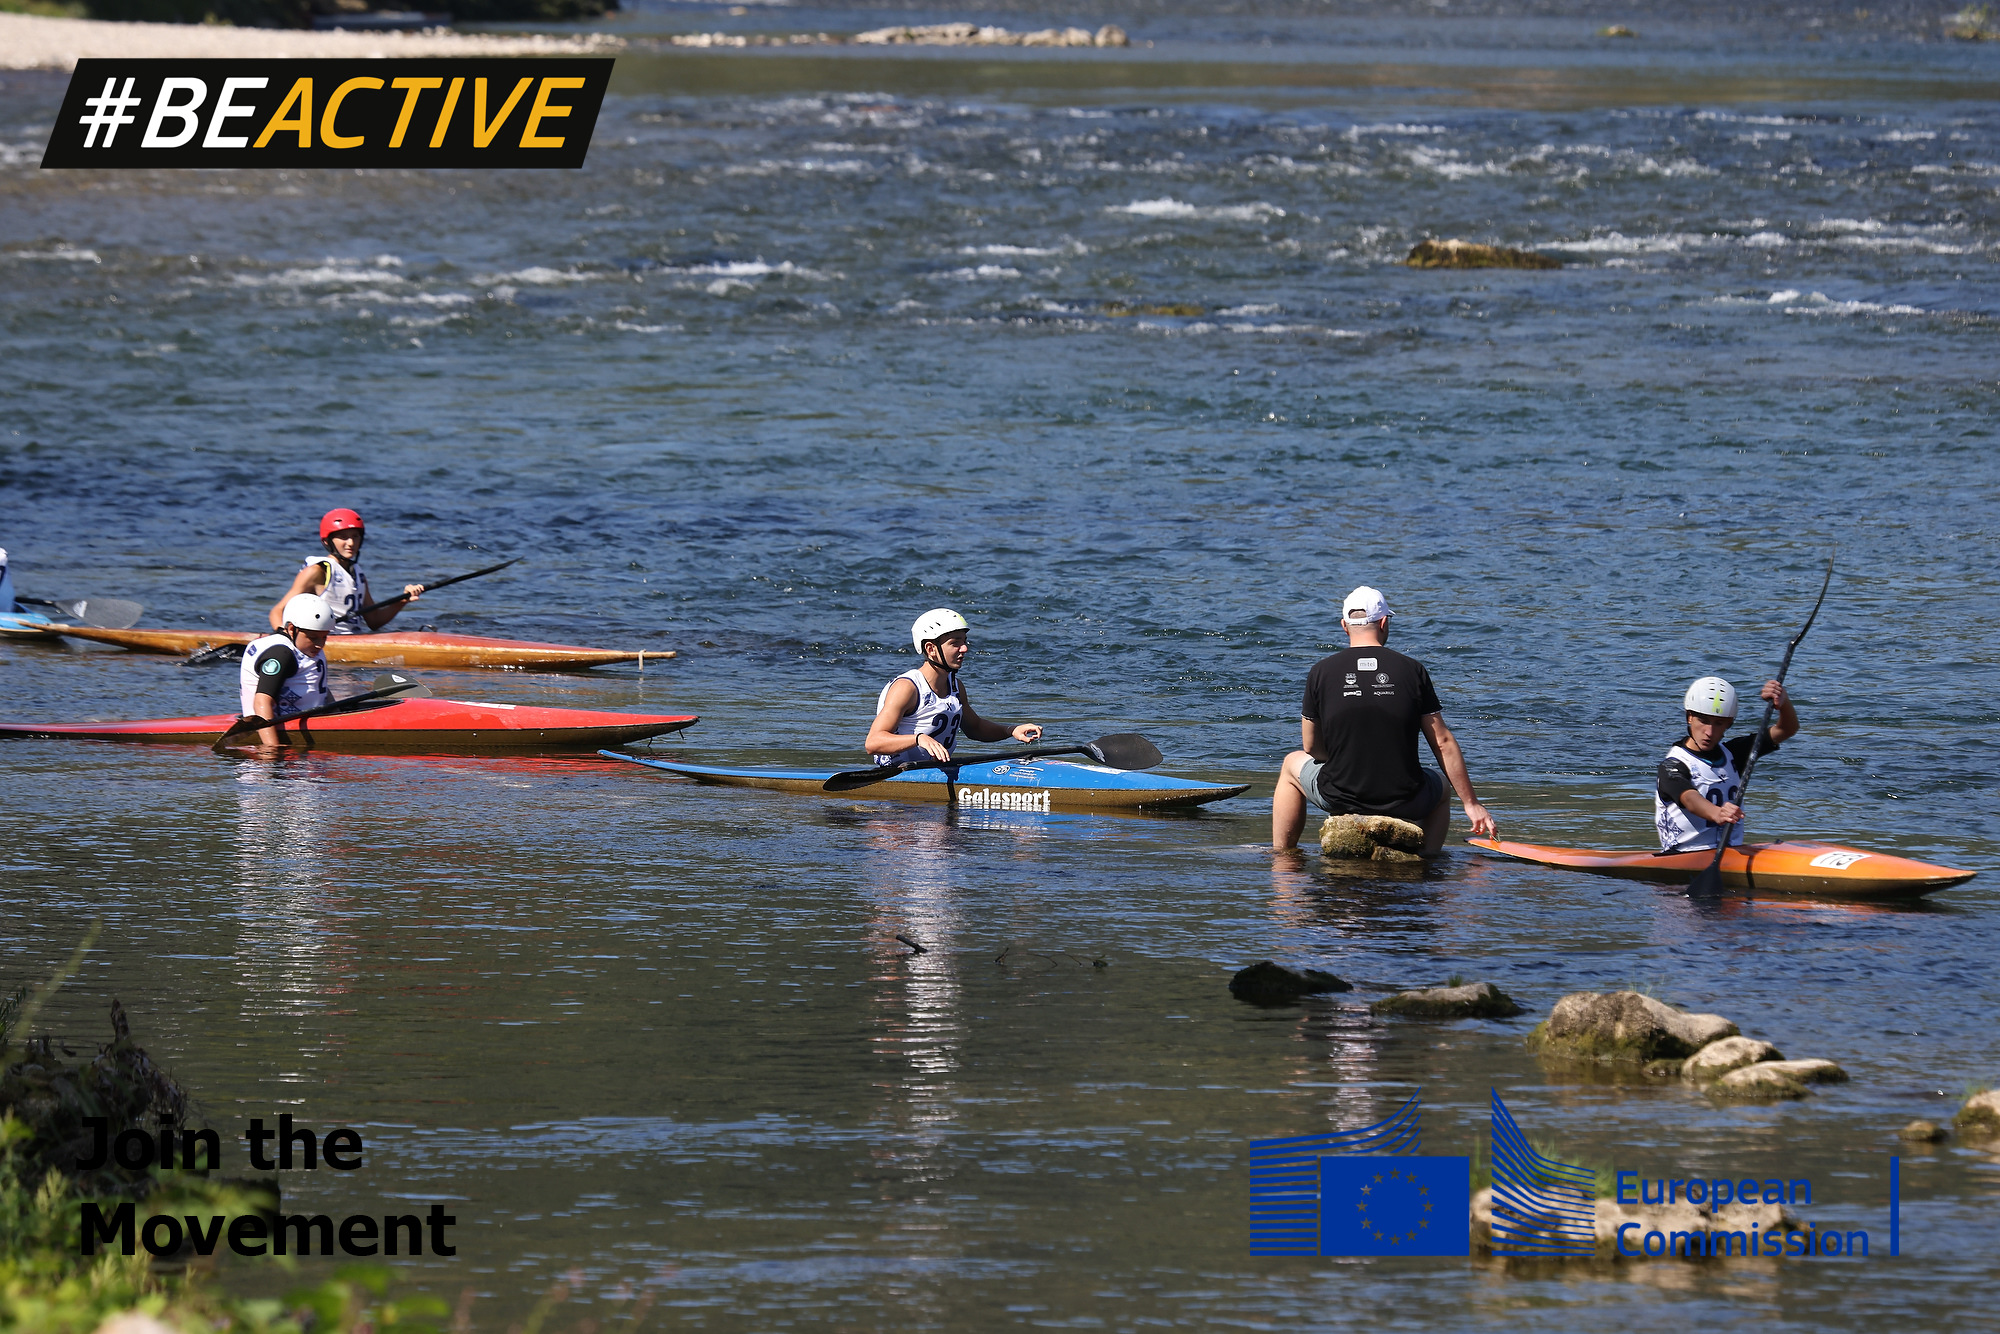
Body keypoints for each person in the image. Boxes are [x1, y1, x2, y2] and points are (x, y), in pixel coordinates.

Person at [1272, 585, 1497, 855]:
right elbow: (1443, 742)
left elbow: (1310, 746)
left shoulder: (1320, 672)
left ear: (1344, 626)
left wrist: (1343, 762)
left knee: (1289, 766)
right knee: (1442, 787)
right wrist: (1471, 803)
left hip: (1339, 794)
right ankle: (1426, 861)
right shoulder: (1413, 670)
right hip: (1405, 798)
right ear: (1383, 622)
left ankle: (1283, 859)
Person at [865, 608, 1043, 766]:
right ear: (931, 648)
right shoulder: (907, 688)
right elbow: (873, 743)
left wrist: (1011, 730)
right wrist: (919, 739)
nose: (964, 648)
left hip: (934, 770)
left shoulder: (955, 686)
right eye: (955, 643)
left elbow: (975, 728)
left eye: (964, 641)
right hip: (897, 775)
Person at [1655, 675, 1798, 852]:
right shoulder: (1672, 765)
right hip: (1683, 854)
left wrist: (1783, 703)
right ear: (1690, 717)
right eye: (1704, 721)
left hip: (1731, 853)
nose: (1709, 732)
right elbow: (1689, 799)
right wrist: (1717, 813)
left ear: (1728, 724)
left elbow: (1787, 729)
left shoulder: (1734, 753)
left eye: (1719, 723)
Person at [269, 508, 424, 635]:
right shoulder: (318, 570)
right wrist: (283, 635)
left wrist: (401, 602)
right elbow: (278, 611)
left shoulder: (358, 574)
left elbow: (374, 621)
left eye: (355, 537)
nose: (351, 543)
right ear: (327, 541)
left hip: (354, 640)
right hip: (325, 641)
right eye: (343, 537)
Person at [239, 593, 338, 747]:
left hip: (310, 719)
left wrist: (338, 714)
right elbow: (261, 702)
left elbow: (319, 687)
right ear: (291, 629)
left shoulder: (307, 648)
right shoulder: (281, 654)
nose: (320, 644)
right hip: (271, 728)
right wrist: (272, 748)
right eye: (313, 637)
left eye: (324, 637)